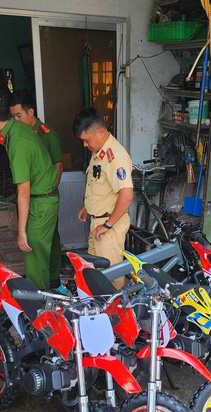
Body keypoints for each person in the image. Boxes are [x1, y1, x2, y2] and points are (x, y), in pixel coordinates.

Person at [0, 90, 60, 291]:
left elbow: (23, 191)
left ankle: (40, 309)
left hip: (40, 202)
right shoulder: (19, 129)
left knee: (33, 254)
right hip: (42, 199)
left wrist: (21, 232)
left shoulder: (17, 141)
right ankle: (45, 291)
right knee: (38, 256)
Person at [9, 90, 65, 292]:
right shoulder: (21, 135)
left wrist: (50, 191)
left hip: (44, 197)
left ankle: (52, 279)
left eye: (19, 115)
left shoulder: (46, 134)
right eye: (13, 116)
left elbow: (58, 165)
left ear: (30, 111)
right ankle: (44, 277)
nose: (16, 120)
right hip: (33, 196)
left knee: (49, 239)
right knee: (42, 240)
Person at [74, 108, 133, 289]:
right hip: (97, 224)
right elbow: (98, 183)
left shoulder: (116, 157)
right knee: (96, 275)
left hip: (109, 226)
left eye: (86, 140)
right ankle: (100, 312)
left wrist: (107, 225)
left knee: (111, 279)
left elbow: (127, 195)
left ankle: (115, 314)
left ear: (100, 132)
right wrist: (87, 206)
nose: (85, 145)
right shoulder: (99, 151)